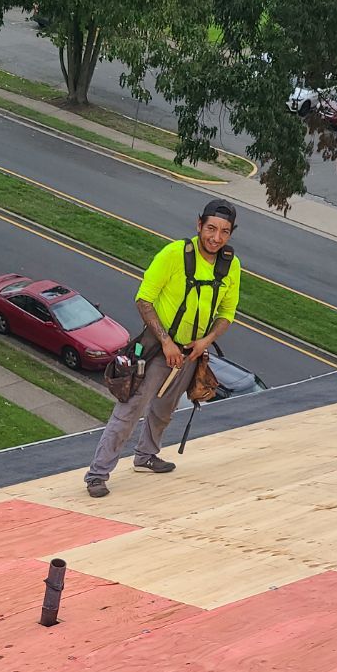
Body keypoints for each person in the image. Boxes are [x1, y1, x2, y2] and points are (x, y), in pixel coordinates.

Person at [84, 199, 241, 498]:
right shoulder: (174, 255)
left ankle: (145, 456)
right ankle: (97, 474)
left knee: (164, 409)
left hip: (191, 353)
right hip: (158, 349)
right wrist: (166, 341)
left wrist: (205, 343)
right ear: (199, 225)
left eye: (224, 232)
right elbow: (144, 299)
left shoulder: (230, 265)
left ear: (231, 234)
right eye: (210, 229)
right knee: (129, 412)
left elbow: (227, 313)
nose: (216, 238)